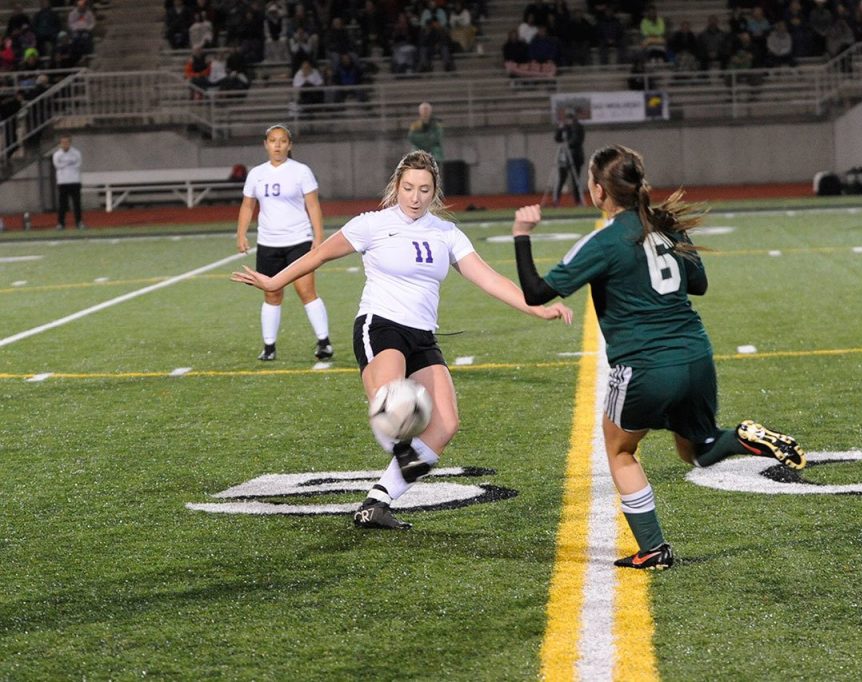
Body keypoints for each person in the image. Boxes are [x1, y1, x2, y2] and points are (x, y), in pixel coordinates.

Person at [231, 150, 573, 530]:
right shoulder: (372, 224)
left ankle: (376, 502)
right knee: (391, 397)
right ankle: (401, 448)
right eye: (408, 187)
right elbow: (320, 254)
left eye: (424, 189)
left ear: (435, 191)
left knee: (445, 425)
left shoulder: (446, 232)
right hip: (380, 326)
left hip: (422, 336)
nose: (415, 197)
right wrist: (275, 281)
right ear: (396, 187)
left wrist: (536, 308)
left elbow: (490, 278)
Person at [510, 144, 806, 570]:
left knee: (620, 451)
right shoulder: (666, 225)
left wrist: (522, 233)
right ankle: (741, 436)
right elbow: (698, 285)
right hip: (696, 354)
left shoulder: (606, 239)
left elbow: (537, 293)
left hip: (646, 365)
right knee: (698, 450)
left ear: (598, 191)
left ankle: (653, 548)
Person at [234, 125, 333, 363]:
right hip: (268, 242)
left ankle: (324, 342)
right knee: (271, 292)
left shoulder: (301, 171)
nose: (277, 145)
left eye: (282, 141)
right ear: (265, 144)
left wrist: (318, 237)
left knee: (306, 290)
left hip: (298, 239)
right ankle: (269, 347)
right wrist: (241, 233)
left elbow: (313, 205)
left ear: (290, 145)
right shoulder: (256, 173)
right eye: (272, 140)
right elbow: (248, 206)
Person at [52, 134, 84, 230]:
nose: (65, 144)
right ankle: (61, 223)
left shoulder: (76, 153)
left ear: (70, 143)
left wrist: (65, 164)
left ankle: (79, 222)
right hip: (63, 182)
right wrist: (69, 163)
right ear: (60, 144)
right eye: (63, 142)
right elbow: (57, 165)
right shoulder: (57, 154)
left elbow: (78, 164)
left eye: (67, 142)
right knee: (62, 204)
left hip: (75, 180)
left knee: (77, 203)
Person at [553, 110, 584, 206]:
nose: (568, 120)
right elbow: (557, 139)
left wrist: (568, 143)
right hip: (564, 156)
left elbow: (577, 140)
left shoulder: (578, 127)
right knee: (561, 178)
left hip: (575, 156)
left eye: (570, 118)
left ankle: (578, 201)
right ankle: (556, 200)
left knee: (575, 180)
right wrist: (560, 129)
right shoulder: (564, 127)